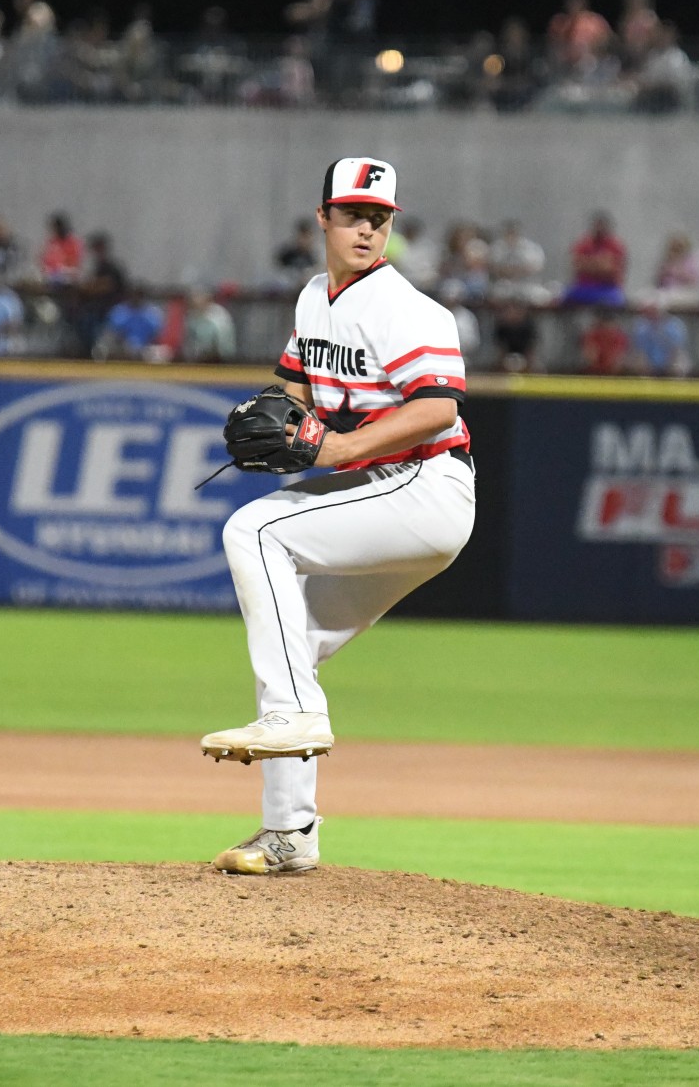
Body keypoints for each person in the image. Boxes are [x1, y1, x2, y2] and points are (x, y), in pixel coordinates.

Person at [199, 156, 475, 876]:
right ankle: (289, 833)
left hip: (426, 484)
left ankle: (295, 715)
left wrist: (341, 446)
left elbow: (437, 407)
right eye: (353, 215)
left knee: (252, 529)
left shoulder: (406, 308)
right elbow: (293, 391)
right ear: (323, 218)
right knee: (290, 643)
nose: (366, 230)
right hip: (385, 489)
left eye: (379, 219)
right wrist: (279, 417)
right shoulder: (312, 299)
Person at [563, 211, 628, 306]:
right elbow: (577, 265)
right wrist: (601, 263)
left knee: (617, 301)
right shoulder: (583, 243)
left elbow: (611, 270)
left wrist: (589, 263)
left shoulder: (616, 246)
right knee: (564, 297)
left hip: (607, 289)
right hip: (584, 288)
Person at [488, 219, 549, 303]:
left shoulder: (531, 247)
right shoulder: (497, 247)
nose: (511, 235)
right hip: (505, 285)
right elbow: (493, 268)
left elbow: (536, 267)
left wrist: (514, 270)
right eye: (509, 232)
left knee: (542, 296)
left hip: (528, 284)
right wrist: (510, 271)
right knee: (495, 295)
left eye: (513, 232)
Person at [629, 295, 690, 376]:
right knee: (637, 360)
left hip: (670, 359)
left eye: (653, 310)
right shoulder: (641, 325)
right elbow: (639, 349)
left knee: (679, 362)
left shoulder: (674, 325)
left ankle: (673, 381)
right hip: (648, 361)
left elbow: (676, 349)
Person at [180, 288, 236, 362]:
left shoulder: (218, 314)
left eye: (199, 297)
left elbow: (223, 345)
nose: (195, 301)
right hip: (195, 359)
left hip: (219, 359)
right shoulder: (191, 315)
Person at [654, 232, 699, 302]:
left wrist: (677, 271)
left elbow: (693, 281)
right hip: (666, 291)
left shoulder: (694, 260)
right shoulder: (668, 260)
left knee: (666, 298)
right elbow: (659, 280)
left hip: (686, 292)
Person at [579, 308, 631, 374]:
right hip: (594, 372)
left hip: (615, 373)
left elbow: (620, 358)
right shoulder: (592, 335)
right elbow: (591, 355)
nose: (608, 326)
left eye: (610, 322)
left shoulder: (620, 337)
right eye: (606, 322)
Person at [491, 299, 538, 372]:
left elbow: (530, 349)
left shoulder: (528, 327)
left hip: (525, 358)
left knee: (537, 369)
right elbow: (501, 349)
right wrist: (501, 362)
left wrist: (530, 363)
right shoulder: (502, 327)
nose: (512, 313)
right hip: (506, 358)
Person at [39, 212, 84, 284]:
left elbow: (75, 263)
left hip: (69, 278)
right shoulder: (51, 243)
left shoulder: (73, 243)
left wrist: (63, 269)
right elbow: (45, 261)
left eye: (58, 228)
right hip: (52, 277)